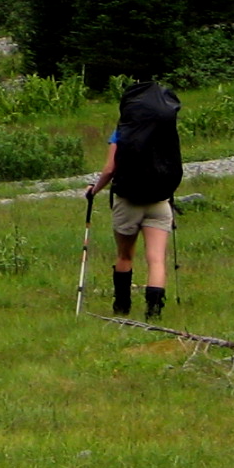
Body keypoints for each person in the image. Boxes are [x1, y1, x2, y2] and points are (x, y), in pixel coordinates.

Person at [88, 80, 183, 320]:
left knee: (125, 255)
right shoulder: (165, 130)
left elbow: (110, 169)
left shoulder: (121, 131)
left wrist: (94, 190)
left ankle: (122, 308)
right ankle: (154, 313)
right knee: (157, 260)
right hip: (159, 201)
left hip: (128, 201)